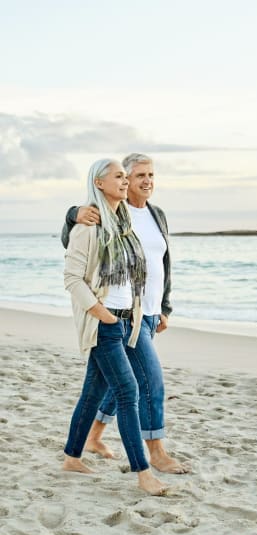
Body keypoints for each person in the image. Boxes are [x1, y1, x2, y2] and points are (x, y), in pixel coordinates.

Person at [62, 153, 189, 474]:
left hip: (146, 311)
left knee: (105, 384)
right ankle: (155, 454)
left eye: (152, 175)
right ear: (125, 181)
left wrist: (164, 307)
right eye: (139, 175)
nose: (147, 181)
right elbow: (73, 245)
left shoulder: (156, 215)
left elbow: (163, 265)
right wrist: (73, 214)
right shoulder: (109, 215)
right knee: (148, 382)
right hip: (120, 315)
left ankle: (89, 440)